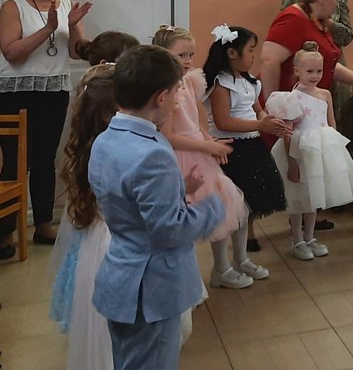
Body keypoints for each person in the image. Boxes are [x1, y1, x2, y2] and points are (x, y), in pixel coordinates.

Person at [88, 46, 225, 370]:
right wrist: (213, 209)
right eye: (176, 93)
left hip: (121, 275)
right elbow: (170, 230)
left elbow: (127, 197)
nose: (178, 101)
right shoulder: (153, 153)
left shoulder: (106, 139)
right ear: (161, 98)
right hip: (151, 288)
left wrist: (177, 190)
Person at [261, 0, 353, 246]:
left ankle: (308, 232)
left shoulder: (317, 23)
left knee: (312, 179)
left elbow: (327, 65)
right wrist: (272, 104)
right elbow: (269, 60)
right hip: (294, 112)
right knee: (294, 176)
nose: (336, 4)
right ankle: (297, 236)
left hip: (315, 106)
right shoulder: (293, 18)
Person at [0, 0, 91, 255]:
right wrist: (50, 28)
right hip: (15, 91)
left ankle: (42, 224)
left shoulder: (65, 5)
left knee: (44, 159)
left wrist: (74, 24)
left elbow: (77, 52)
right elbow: (11, 53)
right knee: (14, 162)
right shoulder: (12, 7)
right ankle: (6, 231)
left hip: (53, 91)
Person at [203, 25, 289, 288]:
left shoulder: (249, 80)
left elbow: (257, 109)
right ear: (232, 53)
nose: (254, 55)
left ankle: (240, 259)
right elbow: (223, 121)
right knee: (227, 211)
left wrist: (267, 120)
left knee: (245, 208)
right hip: (229, 149)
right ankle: (221, 267)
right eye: (250, 50)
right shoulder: (220, 83)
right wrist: (260, 125)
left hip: (252, 147)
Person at [280, 0, 353, 232]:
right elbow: (285, 39)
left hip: (332, 70)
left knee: (333, 129)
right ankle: (300, 202)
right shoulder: (290, 1)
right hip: (303, 71)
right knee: (302, 133)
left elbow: (347, 36)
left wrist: (327, 20)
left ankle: (331, 195)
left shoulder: (339, 0)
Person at [49, 64, 118, 370]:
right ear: (107, 114)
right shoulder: (108, 150)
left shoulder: (91, 145)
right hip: (108, 241)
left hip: (93, 238)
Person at [153, 26, 247, 247]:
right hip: (182, 156)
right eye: (181, 55)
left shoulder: (188, 81)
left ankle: (223, 264)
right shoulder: (166, 91)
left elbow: (195, 120)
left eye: (191, 55)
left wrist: (208, 139)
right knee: (191, 212)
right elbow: (168, 136)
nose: (187, 61)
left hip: (199, 150)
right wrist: (206, 147)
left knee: (220, 206)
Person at [267, 42, 353, 260]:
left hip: (320, 151)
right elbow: (288, 132)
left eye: (319, 71)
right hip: (300, 152)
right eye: (309, 71)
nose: (315, 76)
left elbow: (331, 124)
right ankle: (297, 239)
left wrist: (334, 152)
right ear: (297, 70)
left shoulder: (325, 94)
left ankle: (309, 237)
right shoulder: (292, 98)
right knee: (298, 199)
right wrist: (292, 161)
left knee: (313, 196)